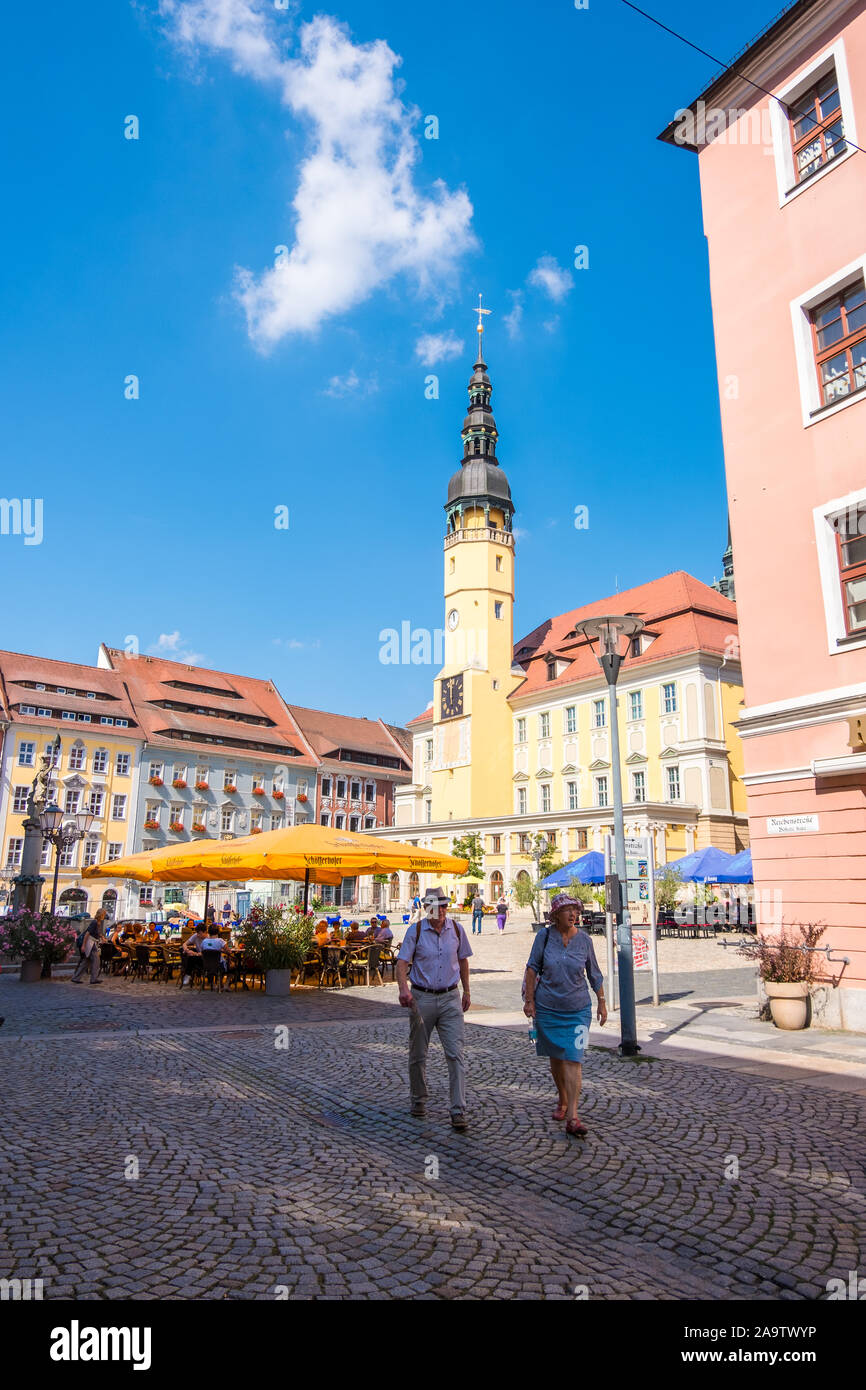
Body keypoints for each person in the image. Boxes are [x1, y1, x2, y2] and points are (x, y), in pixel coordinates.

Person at [522, 893, 607, 1137]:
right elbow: (532, 968)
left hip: (579, 1010)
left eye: (576, 910)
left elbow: (595, 973)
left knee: (574, 1058)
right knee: (556, 1057)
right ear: (556, 915)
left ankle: (573, 1116)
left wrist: (601, 1002)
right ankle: (562, 1098)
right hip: (547, 1008)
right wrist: (529, 1000)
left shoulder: (585, 941)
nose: (573, 914)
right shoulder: (544, 936)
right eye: (568, 910)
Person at [396, 885, 472, 1131]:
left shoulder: (457, 930)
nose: (440, 911)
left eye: (443, 906)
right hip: (422, 998)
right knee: (418, 1054)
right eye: (435, 906)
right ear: (426, 907)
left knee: (456, 1054)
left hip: (450, 998)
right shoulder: (415, 931)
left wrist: (467, 990)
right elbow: (401, 963)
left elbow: (463, 961)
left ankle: (458, 1110)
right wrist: (403, 989)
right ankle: (418, 1100)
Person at [71, 910, 107, 985]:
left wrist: (102, 937)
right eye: (104, 914)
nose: (105, 915)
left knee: (86, 961)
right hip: (90, 943)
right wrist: (83, 945)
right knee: (96, 961)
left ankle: (76, 977)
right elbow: (87, 933)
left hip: (92, 942)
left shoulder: (98, 923)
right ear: (101, 915)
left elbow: (97, 933)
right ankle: (93, 979)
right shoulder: (95, 922)